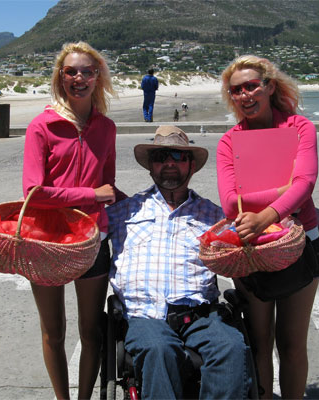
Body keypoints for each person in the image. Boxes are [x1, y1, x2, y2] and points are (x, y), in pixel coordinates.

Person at [108, 126, 251, 400]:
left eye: (178, 155)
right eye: (162, 156)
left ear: (192, 166)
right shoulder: (124, 211)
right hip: (145, 315)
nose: (170, 162)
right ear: (151, 166)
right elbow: (82, 225)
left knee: (231, 347)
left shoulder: (216, 216)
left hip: (201, 314)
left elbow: (254, 227)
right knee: (158, 349)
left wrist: (304, 211)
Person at [218, 55, 319, 399]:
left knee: (292, 344)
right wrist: (284, 190)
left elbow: (305, 182)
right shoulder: (229, 141)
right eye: (237, 90)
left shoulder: (299, 127)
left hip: (300, 242)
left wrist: (266, 214)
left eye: (252, 86)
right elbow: (229, 203)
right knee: (259, 342)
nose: (245, 95)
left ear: (270, 86)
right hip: (251, 246)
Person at [22, 41, 123, 400]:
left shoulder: (106, 128)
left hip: (92, 239)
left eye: (87, 71)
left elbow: (109, 187)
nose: (78, 78)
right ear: (60, 78)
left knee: (91, 330)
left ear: (98, 78)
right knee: (54, 332)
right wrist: (90, 196)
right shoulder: (42, 127)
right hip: (47, 239)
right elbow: (34, 192)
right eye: (71, 72)